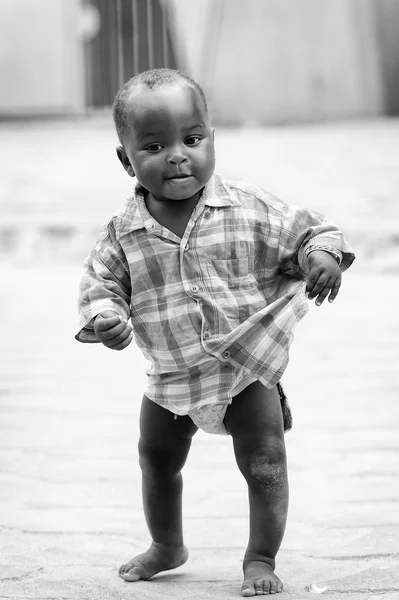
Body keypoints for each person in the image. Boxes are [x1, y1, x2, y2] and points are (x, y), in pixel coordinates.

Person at [75, 68, 355, 596]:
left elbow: (313, 230)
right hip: (171, 376)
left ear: (211, 138)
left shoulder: (250, 208)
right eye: (154, 145)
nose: (178, 155)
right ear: (125, 158)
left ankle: (260, 559)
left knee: (264, 461)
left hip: (246, 368)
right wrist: (104, 318)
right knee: (156, 459)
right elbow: (100, 283)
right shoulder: (123, 232)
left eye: (193, 139)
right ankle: (167, 545)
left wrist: (321, 254)